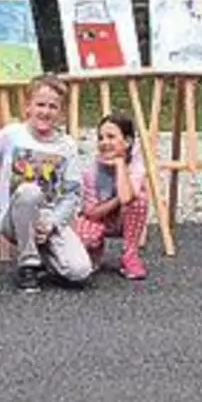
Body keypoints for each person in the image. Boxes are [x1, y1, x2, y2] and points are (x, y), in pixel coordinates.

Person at [0, 75, 92, 292]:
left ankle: (44, 257)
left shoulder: (67, 146)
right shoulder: (12, 135)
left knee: (79, 272)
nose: (45, 112)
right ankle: (28, 264)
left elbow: (72, 194)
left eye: (53, 107)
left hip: (47, 219)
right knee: (29, 191)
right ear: (28, 106)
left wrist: (53, 224)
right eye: (40, 104)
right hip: (13, 215)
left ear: (61, 112)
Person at [73, 113, 149, 281]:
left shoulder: (136, 164)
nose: (104, 142)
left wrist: (120, 164)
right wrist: (116, 200)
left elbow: (128, 198)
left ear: (127, 142)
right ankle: (94, 251)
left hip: (123, 218)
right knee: (85, 238)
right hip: (98, 217)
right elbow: (91, 212)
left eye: (111, 137)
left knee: (139, 201)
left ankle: (129, 255)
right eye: (101, 138)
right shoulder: (92, 170)